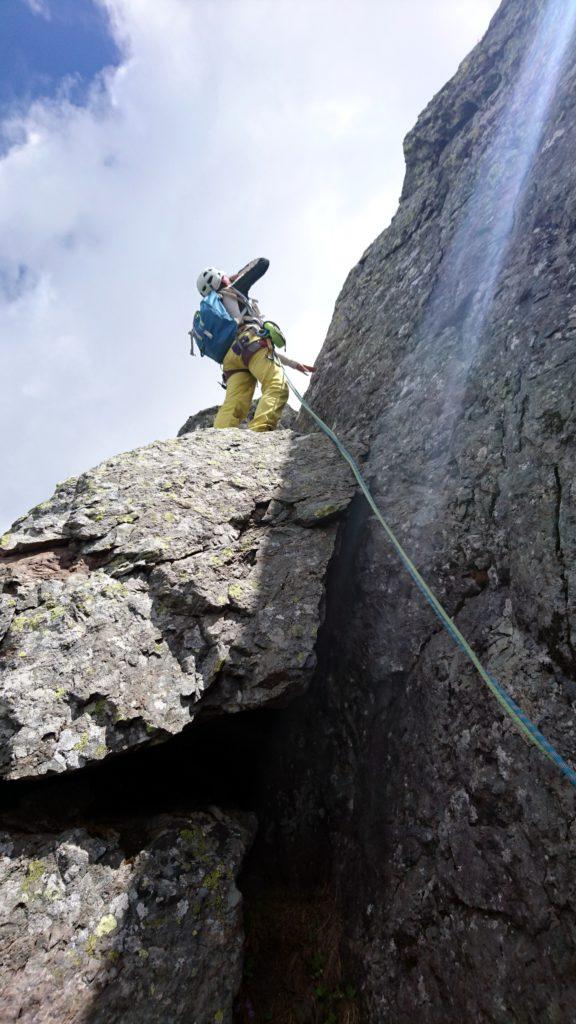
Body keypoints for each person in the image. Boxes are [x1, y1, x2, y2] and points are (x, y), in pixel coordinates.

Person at [196, 259, 314, 432]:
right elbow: (262, 263)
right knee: (277, 387)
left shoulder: (219, 310)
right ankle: (260, 430)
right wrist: (234, 277)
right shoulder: (233, 289)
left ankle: (215, 441)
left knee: (233, 406)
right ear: (220, 278)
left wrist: (293, 364)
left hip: (231, 362)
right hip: (250, 344)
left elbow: (254, 349)